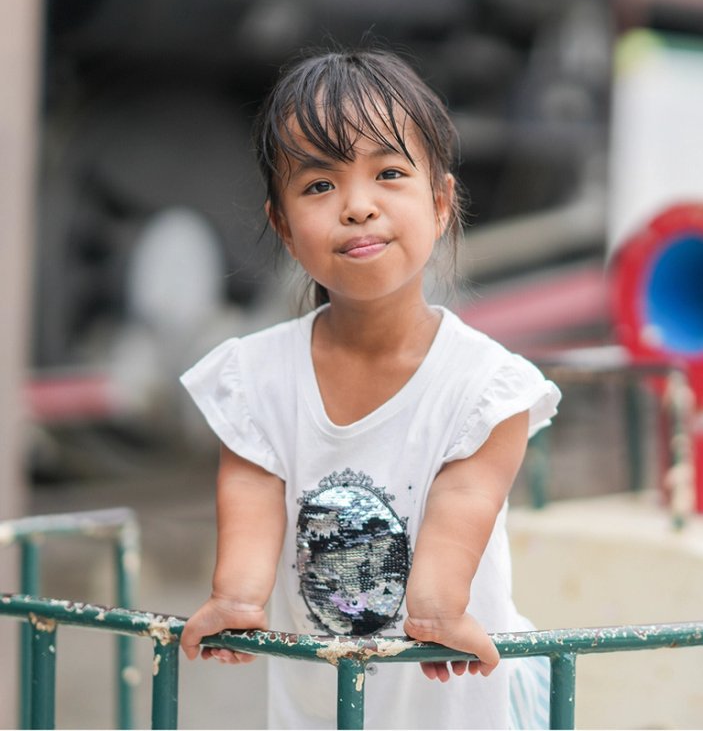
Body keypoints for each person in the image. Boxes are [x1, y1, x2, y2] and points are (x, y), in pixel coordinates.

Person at [178, 47, 560, 729]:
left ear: (441, 203)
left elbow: (465, 500)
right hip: (326, 707)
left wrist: (439, 609)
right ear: (284, 226)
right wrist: (236, 596)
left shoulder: (483, 385)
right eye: (320, 186)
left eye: (388, 173)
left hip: (460, 700)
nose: (358, 206)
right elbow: (250, 490)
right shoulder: (256, 377)